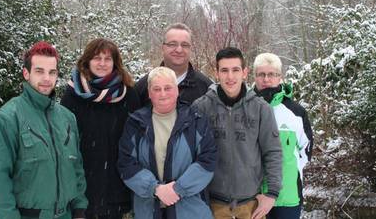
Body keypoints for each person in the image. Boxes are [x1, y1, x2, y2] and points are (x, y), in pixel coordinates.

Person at [0, 41, 88, 219]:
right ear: (26, 73)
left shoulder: (67, 118)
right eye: (39, 71)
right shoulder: (6, 119)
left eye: (52, 72)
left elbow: (76, 167)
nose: (47, 78)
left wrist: (79, 208)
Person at [192, 47, 282, 219]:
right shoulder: (201, 107)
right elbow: (191, 154)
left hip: (250, 206)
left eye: (235, 70)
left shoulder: (261, 108)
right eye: (224, 70)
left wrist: (271, 194)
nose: (230, 76)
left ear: (244, 72)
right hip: (212, 205)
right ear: (216, 73)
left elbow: (273, 152)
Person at [117, 66, 217, 219]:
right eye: (156, 89)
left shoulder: (195, 120)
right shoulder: (135, 123)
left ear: (177, 90)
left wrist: (178, 189)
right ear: (150, 94)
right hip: (148, 211)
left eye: (168, 88)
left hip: (190, 211)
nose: (162, 94)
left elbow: (207, 160)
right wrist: (155, 189)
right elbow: (126, 164)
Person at [60, 38, 140, 219]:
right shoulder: (72, 95)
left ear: (115, 62)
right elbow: (65, 144)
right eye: (97, 58)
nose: (102, 63)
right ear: (87, 60)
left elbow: (138, 141)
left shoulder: (129, 94)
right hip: (82, 189)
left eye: (108, 58)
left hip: (118, 189)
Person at [252, 53, 313, 219]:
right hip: (252, 196)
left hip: (288, 196)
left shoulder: (296, 112)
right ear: (254, 76)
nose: (266, 79)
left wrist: (290, 170)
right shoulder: (243, 108)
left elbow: (306, 150)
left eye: (272, 74)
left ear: (280, 77)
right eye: (261, 74)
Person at [135, 23, 212, 106]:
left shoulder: (206, 89)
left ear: (190, 49)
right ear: (163, 48)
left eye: (184, 45)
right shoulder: (143, 87)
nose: (179, 50)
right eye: (172, 44)